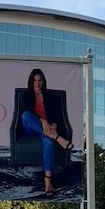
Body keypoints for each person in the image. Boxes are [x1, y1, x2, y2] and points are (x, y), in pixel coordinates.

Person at [19, 68, 73, 196]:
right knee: (25, 115)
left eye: (40, 80)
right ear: (31, 82)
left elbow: (57, 116)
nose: (37, 83)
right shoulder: (26, 96)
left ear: (43, 82)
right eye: (35, 81)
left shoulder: (50, 97)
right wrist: (43, 121)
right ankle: (58, 138)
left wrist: (53, 125)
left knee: (48, 143)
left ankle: (48, 180)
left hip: (47, 131)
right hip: (31, 128)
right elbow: (27, 113)